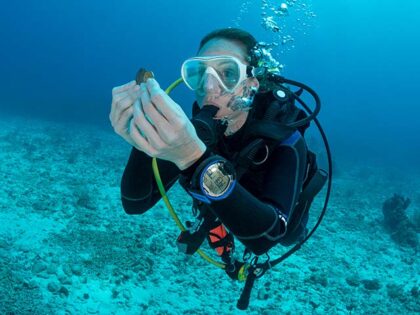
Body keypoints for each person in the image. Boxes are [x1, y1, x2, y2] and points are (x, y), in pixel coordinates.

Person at [109, 28, 312, 277]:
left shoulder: (285, 140)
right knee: (216, 213)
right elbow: (135, 204)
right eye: (199, 73)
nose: (208, 86)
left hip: (272, 216)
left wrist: (192, 158)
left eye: (227, 73)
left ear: (250, 84)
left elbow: (266, 239)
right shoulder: (193, 134)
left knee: (290, 235)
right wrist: (143, 142)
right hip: (224, 205)